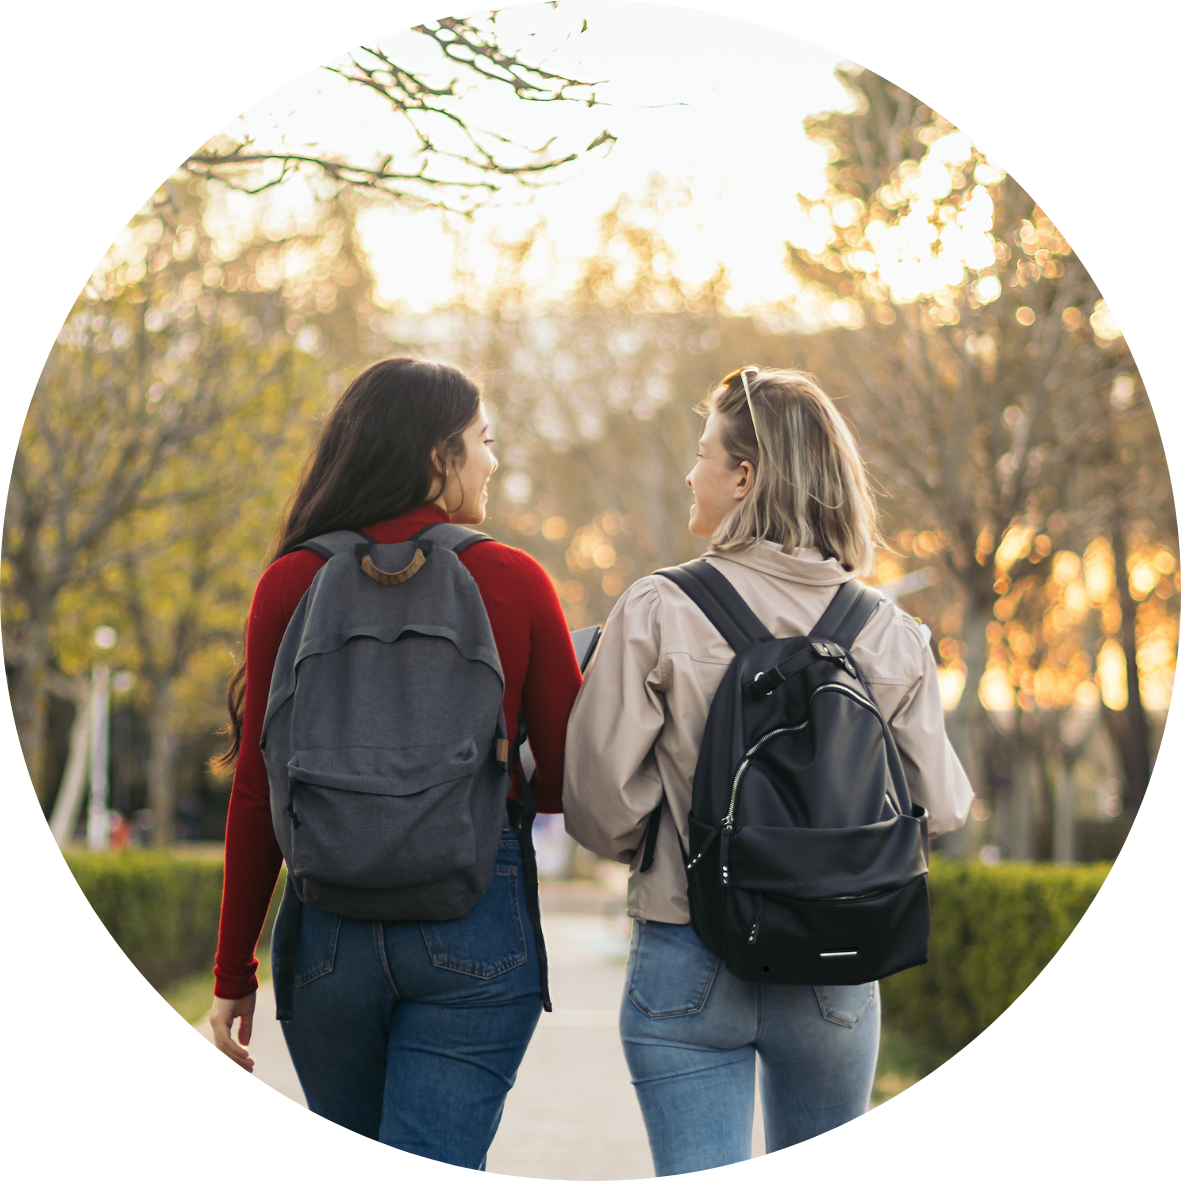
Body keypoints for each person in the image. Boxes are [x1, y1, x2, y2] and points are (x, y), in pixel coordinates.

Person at [563, 366, 973, 1174]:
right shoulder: (888, 632)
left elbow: (597, 801)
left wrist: (666, 837)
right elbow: (944, 805)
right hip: (834, 962)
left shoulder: (657, 607)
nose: (690, 471)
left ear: (744, 476)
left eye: (703, 452)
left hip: (688, 951)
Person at [209, 357, 583, 1169]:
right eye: (482, 441)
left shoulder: (291, 580)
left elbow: (256, 791)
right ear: (436, 457)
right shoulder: (513, 578)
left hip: (328, 939)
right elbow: (563, 778)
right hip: (474, 913)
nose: (493, 459)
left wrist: (233, 966)